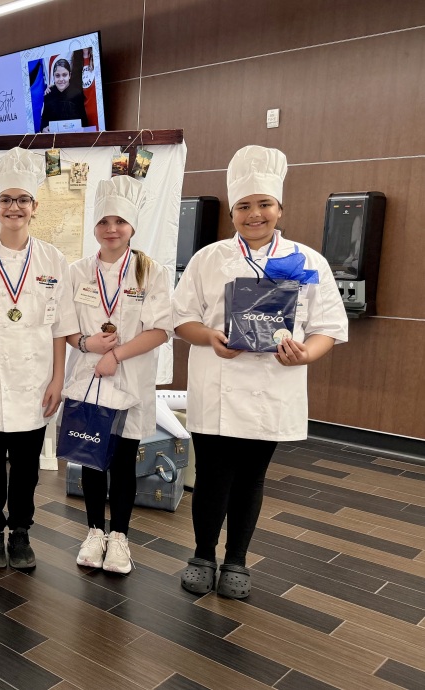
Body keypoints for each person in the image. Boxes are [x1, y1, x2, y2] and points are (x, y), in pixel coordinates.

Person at [174, 145, 348, 598]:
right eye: (245, 206)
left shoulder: (309, 261)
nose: (255, 215)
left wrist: (306, 354)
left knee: (252, 476)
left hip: (274, 384)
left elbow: (328, 328)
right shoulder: (207, 259)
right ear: (233, 211)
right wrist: (209, 336)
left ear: (279, 208)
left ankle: (237, 560)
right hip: (218, 380)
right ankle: (202, 554)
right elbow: (180, 318)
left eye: (264, 205)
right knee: (212, 474)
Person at [0, 147, 80, 570]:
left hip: (36, 380)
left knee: (27, 465)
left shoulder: (53, 260)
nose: (14, 207)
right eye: (6, 200)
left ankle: (22, 531)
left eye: (22, 200)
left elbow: (62, 327)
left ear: (34, 207)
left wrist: (57, 380)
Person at [66, 177, 173, 575]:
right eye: (104, 221)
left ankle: (121, 537)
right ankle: (95, 531)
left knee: (124, 460)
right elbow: (64, 328)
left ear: (132, 227)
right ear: (95, 227)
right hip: (89, 378)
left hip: (128, 381)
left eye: (120, 221)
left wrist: (117, 355)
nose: (112, 229)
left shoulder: (151, 271)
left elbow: (162, 329)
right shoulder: (77, 271)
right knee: (91, 460)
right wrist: (87, 345)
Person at [40, 57, 89, 133]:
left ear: (69, 75)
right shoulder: (48, 94)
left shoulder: (77, 94)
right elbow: (44, 120)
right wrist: (43, 128)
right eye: (57, 75)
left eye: (64, 75)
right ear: (53, 76)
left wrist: (83, 129)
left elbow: (84, 121)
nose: (61, 79)